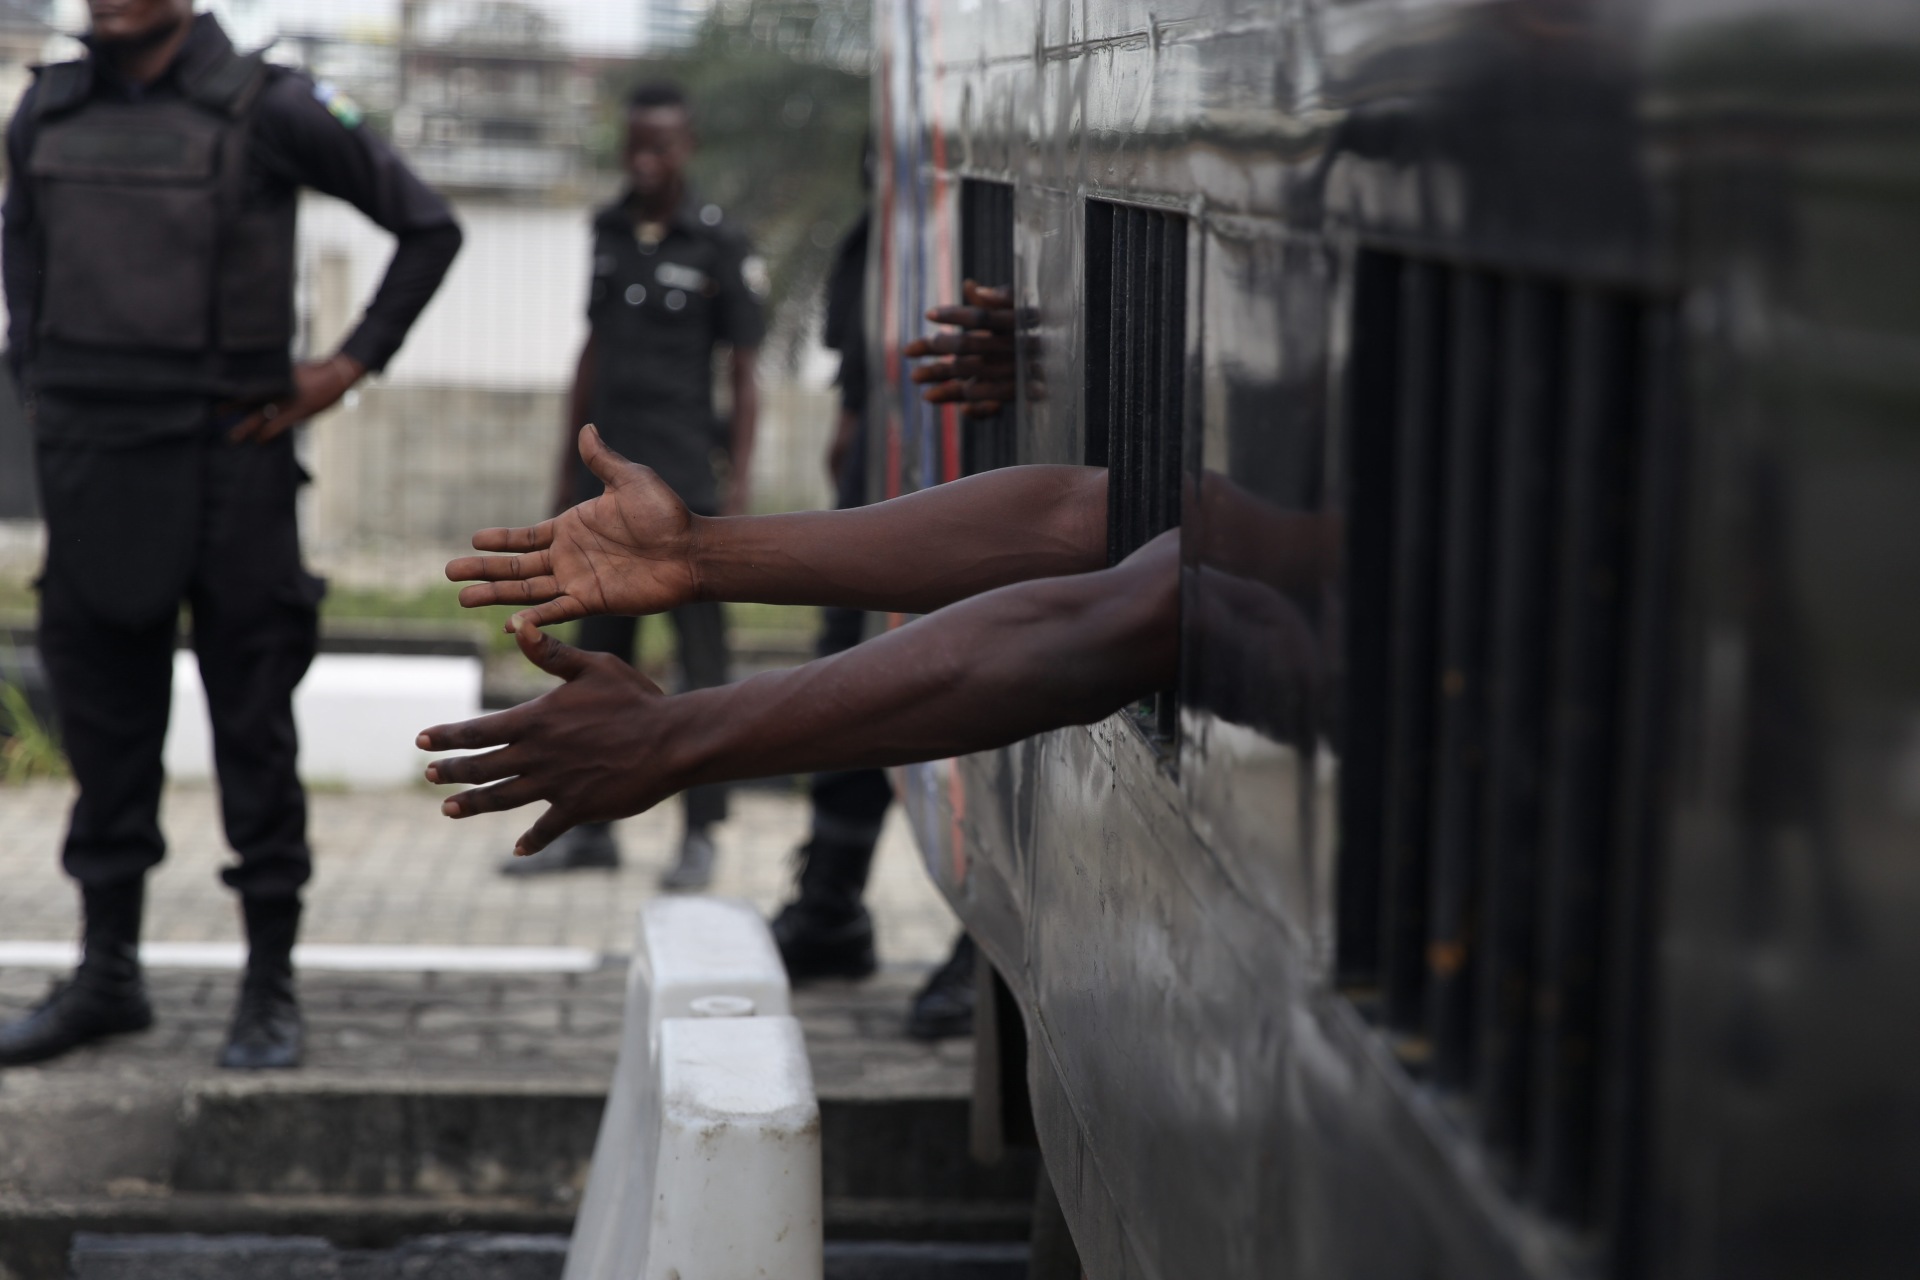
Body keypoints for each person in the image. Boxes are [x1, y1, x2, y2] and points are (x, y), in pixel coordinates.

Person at [0, 0, 460, 1071]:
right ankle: (107, 974)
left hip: (229, 466)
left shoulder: (271, 105)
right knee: (106, 740)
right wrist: (42, 394)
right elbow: (22, 266)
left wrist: (345, 368)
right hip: (94, 467)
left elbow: (429, 226)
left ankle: (268, 985)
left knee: (253, 735)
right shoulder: (45, 109)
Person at [507, 80, 764, 890]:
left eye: (660, 147)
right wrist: (563, 460)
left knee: (701, 667)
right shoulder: (608, 228)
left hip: (686, 482)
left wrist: (742, 480)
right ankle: (589, 827)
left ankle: (699, 836)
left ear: (685, 147)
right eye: (635, 148)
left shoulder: (717, 241)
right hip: (606, 478)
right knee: (595, 657)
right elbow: (590, 349)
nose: (646, 162)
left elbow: (745, 371)